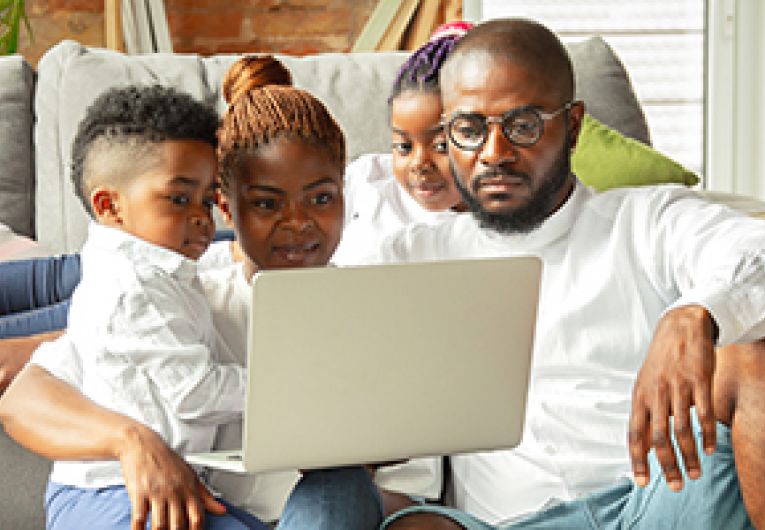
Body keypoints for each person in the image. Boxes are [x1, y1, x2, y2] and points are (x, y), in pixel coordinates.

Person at [272, 17, 765, 529]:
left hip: (664, 497)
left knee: (751, 359)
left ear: (572, 126)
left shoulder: (646, 220)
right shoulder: (409, 258)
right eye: (468, 129)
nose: (494, 153)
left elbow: (755, 251)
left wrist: (697, 313)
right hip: (505, 523)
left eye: (523, 125)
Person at [0, 55, 436, 529]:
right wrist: (130, 440)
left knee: (346, 480)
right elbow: (26, 394)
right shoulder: (183, 292)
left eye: (322, 198)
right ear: (229, 210)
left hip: (306, 506)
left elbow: (403, 482)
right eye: (267, 203)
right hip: (168, 496)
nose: (298, 221)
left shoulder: (376, 306)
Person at [17, 83, 272, 530]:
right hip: (109, 489)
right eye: (178, 198)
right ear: (110, 206)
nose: (201, 216)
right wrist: (289, 385)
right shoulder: (133, 285)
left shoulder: (172, 269)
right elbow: (194, 393)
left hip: (174, 479)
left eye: (208, 198)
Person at [332, 21, 470, 266]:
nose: (419, 164)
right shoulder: (367, 180)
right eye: (404, 147)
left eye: (441, 147)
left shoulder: (504, 214)